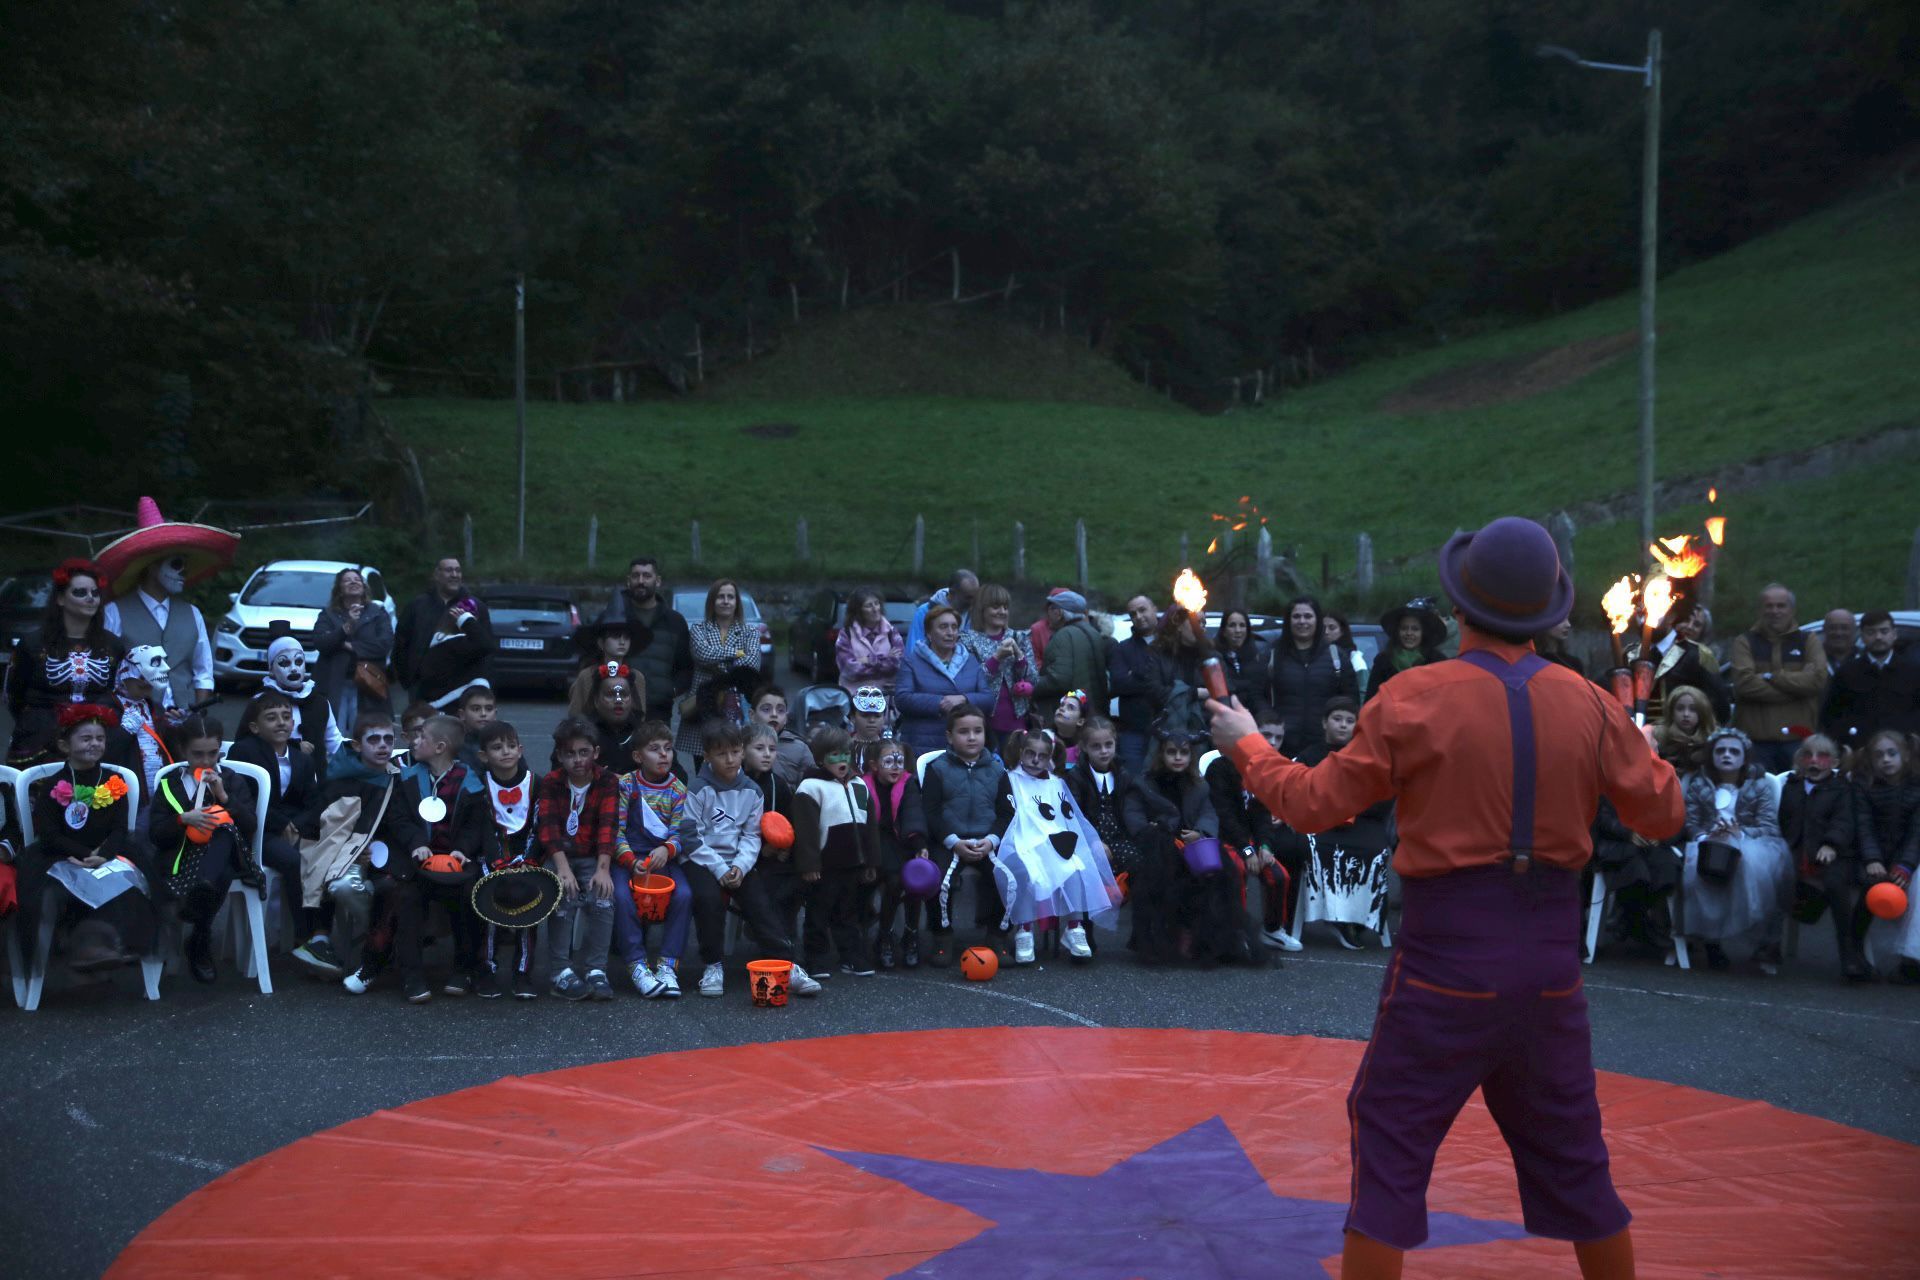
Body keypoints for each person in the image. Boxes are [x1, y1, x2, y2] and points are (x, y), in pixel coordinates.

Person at [1207, 514, 1679, 1280]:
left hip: (1447, 962)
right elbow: (1662, 814)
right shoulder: (1592, 705)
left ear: (1459, 607)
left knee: (1390, 1137)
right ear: (1545, 612)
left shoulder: (1411, 696)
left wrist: (1247, 744)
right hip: (1551, 965)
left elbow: (1312, 806)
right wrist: (1644, 751)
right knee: (1576, 1156)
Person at [13, 703, 156, 973]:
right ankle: (84, 947)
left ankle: (114, 945)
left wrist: (104, 854)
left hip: (106, 852)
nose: (95, 744)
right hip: (62, 854)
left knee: (132, 885)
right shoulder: (55, 786)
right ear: (65, 745)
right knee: (55, 892)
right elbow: (50, 834)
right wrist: (81, 854)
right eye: (86, 738)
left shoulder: (114, 782)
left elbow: (119, 828)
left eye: (100, 738)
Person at [1123, 725, 1258, 965]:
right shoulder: (1144, 783)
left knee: (1218, 877)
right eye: (1172, 752)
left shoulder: (1198, 785)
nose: (1177, 758)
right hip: (1158, 850)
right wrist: (1154, 831)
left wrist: (1201, 833)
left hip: (1193, 850)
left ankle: (1207, 940)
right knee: (1161, 878)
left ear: (1190, 756)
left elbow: (1210, 814)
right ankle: (1167, 941)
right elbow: (1133, 816)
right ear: (1161, 754)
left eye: (1183, 753)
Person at [149, 714, 262, 984]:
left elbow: (250, 826)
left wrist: (224, 797)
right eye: (197, 755)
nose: (206, 761)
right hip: (181, 856)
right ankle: (201, 938)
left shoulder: (231, 780)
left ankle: (201, 905)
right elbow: (155, 835)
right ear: (183, 751)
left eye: (213, 754)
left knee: (223, 830)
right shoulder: (170, 785)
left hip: (226, 855)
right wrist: (182, 819)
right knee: (218, 876)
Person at [98, 497, 238, 712]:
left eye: (185, 564)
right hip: (135, 721)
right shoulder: (115, 612)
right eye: (176, 564)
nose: (184, 572)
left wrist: (196, 715)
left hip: (186, 724)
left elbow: (203, 673)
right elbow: (107, 671)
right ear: (152, 567)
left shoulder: (192, 613)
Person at [318, 712, 424, 993]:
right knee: (342, 886)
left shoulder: (397, 777)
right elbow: (329, 824)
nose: (383, 746)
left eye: (388, 740)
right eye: (374, 740)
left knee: (396, 886)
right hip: (347, 854)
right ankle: (386, 936)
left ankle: (383, 941)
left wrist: (408, 844)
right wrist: (352, 849)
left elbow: (400, 822)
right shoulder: (340, 778)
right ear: (356, 745)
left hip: (386, 855)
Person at [1678, 727, 1793, 974]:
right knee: (1701, 865)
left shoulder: (1759, 785)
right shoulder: (1699, 784)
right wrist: (1707, 834)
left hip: (1749, 841)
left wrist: (1739, 834)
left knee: (1750, 865)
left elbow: (1768, 826)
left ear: (1744, 757)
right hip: (1708, 841)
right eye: (1720, 751)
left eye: (1733, 751)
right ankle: (1711, 941)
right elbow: (1690, 821)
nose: (1727, 755)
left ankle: (1762, 941)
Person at [229, 690, 326, 973]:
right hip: (257, 833)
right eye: (271, 718)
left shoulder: (301, 758)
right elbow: (244, 799)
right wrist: (281, 824)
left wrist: (298, 825)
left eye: (286, 717)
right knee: (297, 861)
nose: (282, 723)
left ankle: (323, 935)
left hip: (294, 829)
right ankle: (306, 934)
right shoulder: (245, 751)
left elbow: (313, 801)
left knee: (324, 857)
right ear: (255, 726)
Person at [393, 714, 490, 999]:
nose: (415, 741)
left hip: (455, 863)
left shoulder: (470, 782)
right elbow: (399, 819)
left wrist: (463, 848)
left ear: (440, 747)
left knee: (467, 898)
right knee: (408, 899)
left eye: (422, 736)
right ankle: (411, 973)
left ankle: (464, 967)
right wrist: (416, 843)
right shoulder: (409, 778)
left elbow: (476, 825)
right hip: (418, 862)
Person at [1291, 698, 1394, 949]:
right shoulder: (1309, 755)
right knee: (1319, 849)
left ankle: (1357, 922)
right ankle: (1334, 917)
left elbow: (1383, 796)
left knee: (1375, 852)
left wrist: (1352, 810)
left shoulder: (1368, 758)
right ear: (1325, 723)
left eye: (1350, 721)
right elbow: (1300, 792)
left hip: (1362, 822)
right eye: (1337, 719)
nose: (1343, 726)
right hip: (1321, 823)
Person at [6, 558, 125, 766]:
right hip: (41, 741)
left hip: (98, 742)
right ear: (61, 599)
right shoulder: (32, 643)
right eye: (80, 592)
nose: (90, 598)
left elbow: (116, 693)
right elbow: (14, 695)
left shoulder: (113, 645)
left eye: (95, 593)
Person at [918, 705, 1010, 966]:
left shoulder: (997, 770)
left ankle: (997, 936)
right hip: (950, 841)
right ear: (949, 736)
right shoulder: (937, 769)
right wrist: (953, 841)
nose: (972, 737)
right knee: (938, 879)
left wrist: (992, 840)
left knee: (1007, 877)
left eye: (978, 731)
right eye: (964, 732)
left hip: (986, 841)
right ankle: (942, 936)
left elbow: (1006, 812)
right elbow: (931, 811)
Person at [612, 720, 697, 998]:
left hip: (663, 859)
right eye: (655, 749)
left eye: (668, 749)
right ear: (638, 756)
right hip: (630, 858)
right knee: (623, 896)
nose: (664, 755)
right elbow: (616, 831)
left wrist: (667, 850)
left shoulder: (678, 789)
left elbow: (678, 833)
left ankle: (667, 966)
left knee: (683, 894)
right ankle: (637, 965)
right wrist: (629, 861)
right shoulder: (626, 785)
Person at [538, 715, 620, 1002]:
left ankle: (596, 968)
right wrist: (562, 869)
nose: (577, 760)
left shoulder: (607, 782)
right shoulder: (551, 782)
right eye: (570, 753)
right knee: (563, 894)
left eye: (584, 752)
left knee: (603, 896)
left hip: (592, 857)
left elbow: (608, 828)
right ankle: (560, 970)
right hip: (560, 856)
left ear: (595, 753)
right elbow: (547, 829)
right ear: (559, 755)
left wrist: (603, 870)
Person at [1778, 734, 1869, 981]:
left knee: (1836, 884)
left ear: (1835, 761)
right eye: (1808, 755)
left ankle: (1848, 953)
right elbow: (1784, 821)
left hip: (1834, 854)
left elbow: (1844, 821)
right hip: (1797, 851)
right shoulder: (1792, 786)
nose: (1814, 761)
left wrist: (1832, 844)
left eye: (1823, 756)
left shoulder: (1841, 788)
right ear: (1800, 760)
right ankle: (1768, 944)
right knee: (1774, 877)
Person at [793, 726, 882, 977]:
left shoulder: (859, 786)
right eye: (834, 755)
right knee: (818, 912)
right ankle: (816, 958)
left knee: (848, 913)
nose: (842, 760)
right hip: (824, 864)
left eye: (845, 754)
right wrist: (810, 865)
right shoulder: (810, 787)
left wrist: (871, 862)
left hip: (853, 862)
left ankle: (851, 956)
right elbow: (806, 831)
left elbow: (870, 827)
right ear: (820, 758)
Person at [1208, 711, 1299, 951]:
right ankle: (1237, 931)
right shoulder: (1221, 767)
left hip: (1251, 839)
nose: (1272, 743)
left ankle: (1272, 929)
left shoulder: (1263, 770)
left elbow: (1262, 815)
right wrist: (1248, 850)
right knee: (1237, 870)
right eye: (1265, 735)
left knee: (1279, 875)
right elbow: (1224, 816)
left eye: (1278, 738)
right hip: (1224, 837)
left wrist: (1265, 846)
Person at [744, 723, 820, 982]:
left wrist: (786, 847)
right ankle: (780, 955)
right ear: (742, 751)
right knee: (768, 890)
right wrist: (762, 851)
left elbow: (789, 824)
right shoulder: (738, 785)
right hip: (750, 859)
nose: (767, 754)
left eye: (772, 749)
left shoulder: (779, 785)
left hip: (777, 857)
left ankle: (788, 946)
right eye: (759, 748)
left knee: (796, 884)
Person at [472, 719, 539, 998]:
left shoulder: (536, 783)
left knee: (531, 902)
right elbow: (482, 828)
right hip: (490, 858)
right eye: (497, 747)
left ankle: (523, 972)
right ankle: (486, 969)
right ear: (484, 756)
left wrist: (528, 860)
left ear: (521, 749)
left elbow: (539, 825)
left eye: (511, 745)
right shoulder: (478, 785)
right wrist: (497, 862)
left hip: (527, 857)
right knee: (488, 902)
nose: (506, 752)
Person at [1729, 584, 1827, 773]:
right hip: (1755, 744)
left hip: (1799, 741)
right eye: (1769, 606)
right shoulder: (1744, 642)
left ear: (1792, 610)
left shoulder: (1808, 640)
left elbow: (1817, 681)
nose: (1775, 611)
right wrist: (1797, 689)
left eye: (1781, 606)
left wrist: (1771, 677)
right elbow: (1744, 684)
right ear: (1760, 609)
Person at [1853, 729, 1920, 984]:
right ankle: (1857, 953)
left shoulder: (1916, 787)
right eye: (1879, 755)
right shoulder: (1864, 786)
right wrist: (1872, 859)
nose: (1886, 760)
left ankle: (1911, 960)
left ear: (1904, 755)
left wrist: (1906, 866)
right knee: (1868, 889)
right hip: (1871, 858)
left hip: (1907, 859)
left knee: (1918, 888)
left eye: (1892, 753)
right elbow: (1863, 826)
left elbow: (1917, 832)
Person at [1255, 596, 1359, 756]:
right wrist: (1270, 721)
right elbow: (1256, 695)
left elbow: (1350, 699)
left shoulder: (1336, 656)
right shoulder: (1271, 655)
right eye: (1296, 616)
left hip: (1325, 746)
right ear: (1288, 621)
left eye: (1308, 616)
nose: (1302, 621)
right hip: (1281, 744)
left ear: (1318, 620)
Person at [675, 579, 763, 765]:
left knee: (734, 759)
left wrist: (722, 664)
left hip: (737, 707)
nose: (725, 601)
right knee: (703, 762)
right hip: (703, 705)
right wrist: (736, 653)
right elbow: (702, 654)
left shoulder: (751, 632)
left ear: (736, 602)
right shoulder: (699, 630)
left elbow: (751, 664)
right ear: (712, 602)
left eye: (730, 597)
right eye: (720, 597)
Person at [596, 557, 692, 721]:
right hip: (618, 710)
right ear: (628, 581)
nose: (640, 581)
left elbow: (686, 666)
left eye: (647, 576)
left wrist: (671, 690)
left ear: (658, 581)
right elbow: (593, 657)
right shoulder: (612, 620)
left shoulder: (675, 622)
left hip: (659, 711)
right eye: (636, 576)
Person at [894, 604, 994, 760]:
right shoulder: (912, 661)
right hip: (923, 744)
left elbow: (988, 699)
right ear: (929, 633)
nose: (950, 632)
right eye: (943, 627)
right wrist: (940, 702)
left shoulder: (970, 661)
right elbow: (902, 698)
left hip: (963, 747)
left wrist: (964, 700)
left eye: (954, 627)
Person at [865, 737, 930, 970]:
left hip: (904, 842)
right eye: (889, 761)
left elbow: (914, 815)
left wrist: (920, 845)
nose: (896, 766)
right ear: (874, 765)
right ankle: (885, 935)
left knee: (916, 881)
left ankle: (911, 934)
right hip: (875, 844)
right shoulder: (864, 785)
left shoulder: (908, 784)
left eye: (899, 761)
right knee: (894, 882)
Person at [392, 557, 491, 706]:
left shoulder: (476, 607)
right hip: (422, 690)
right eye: (449, 570)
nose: (454, 575)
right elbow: (401, 644)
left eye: (458, 570)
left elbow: (487, 647)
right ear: (436, 575)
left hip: (461, 690)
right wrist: (408, 679)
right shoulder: (417, 606)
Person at [310, 567, 393, 738]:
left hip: (368, 684)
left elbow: (384, 644)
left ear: (363, 586)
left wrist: (350, 646)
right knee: (334, 734)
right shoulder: (328, 614)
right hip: (335, 682)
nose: (354, 582)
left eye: (357, 579)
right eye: (347, 580)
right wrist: (346, 628)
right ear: (339, 589)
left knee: (365, 734)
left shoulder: (377, 612)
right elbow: (320, 642)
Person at [1822, 610, 1920, 745]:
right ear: (1861, 636)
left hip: (1905, 752)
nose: (1878, 637)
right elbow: (1831, 715)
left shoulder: (1913, 671)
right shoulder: (1847, 673)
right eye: (1871, 632)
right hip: (1860, 752)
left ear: (1894, 634)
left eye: (1884, 631)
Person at [1065, 714, 1138, 886]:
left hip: (1119, 838)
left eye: (1108, 745)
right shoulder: (1076, 777)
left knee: (1138, 859)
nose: (1104, 751)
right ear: (1084, 747)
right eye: (1096, 746)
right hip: (1091, 841)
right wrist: (1093, 841)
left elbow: (1134, 807)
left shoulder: (1122, 773)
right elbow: (1074, 815)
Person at [962, 583, 1035, 745]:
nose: (1002, 611)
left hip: (1016, 722)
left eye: (1005, 607)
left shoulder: (1020, 637)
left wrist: (1019, 656)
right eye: (996, 607)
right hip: (981, 723)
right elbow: (969, 681)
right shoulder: (967, 639)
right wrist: (996, 658)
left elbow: (1033, 680)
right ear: (982, 609)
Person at [1105, 594, 1170, 774]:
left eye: (1142, 610)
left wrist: (1136, 674)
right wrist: (1154, 680)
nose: (1139, 617)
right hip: (1133, 730)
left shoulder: (1170, 645)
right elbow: (1119, 684)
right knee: (1133, 783)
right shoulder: (1122, 648)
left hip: (1168, 728)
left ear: (1155, 609)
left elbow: (1174, 682)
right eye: (1133, 614)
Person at [107, 646, 176, 809]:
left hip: (159, 788)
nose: (146, 685)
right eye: (141, 680)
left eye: (149, 683)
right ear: (126, 676)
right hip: (125, 790)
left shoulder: (155, 707)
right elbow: (104, 751)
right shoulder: (108, 708)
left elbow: (169, 745)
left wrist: (175, 726)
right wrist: (125, 731)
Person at [262, 636, 345, 772]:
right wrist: (292, 747)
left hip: (314, 782)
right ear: (271, 670)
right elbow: (251, 743)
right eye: (284, 663)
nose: (294, 669)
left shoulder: (319, 702)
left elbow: (334, 742)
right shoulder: (261, 702)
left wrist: (361, 753)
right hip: (275, 779)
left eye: (299, 661)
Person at [1031, 589, 1107, 727]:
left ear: (1059, 613)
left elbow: (1059, 680)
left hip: (1071, 717)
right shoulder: (1094, 633)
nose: (1048, 614)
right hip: (1095, 712)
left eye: (1052, 608)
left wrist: (1032, 685)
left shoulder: (1063, 636)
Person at [566, 661, 645, 772]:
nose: (618, 700)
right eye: (610, 694)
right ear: (596, 701)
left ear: (632, 699)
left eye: (624, 694)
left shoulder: (646, 733)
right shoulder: (579, 734)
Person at [1367, 600, 1448, 703]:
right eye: (1404, 628)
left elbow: (1443, 699)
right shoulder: (1383, 661)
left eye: (1415, 629)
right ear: (1398, 631)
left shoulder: (1438, 662)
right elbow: (1371, 700)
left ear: (1424, 633)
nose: (1409, 633)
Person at [836, 586, 905, 697]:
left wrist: (864, 660)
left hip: (885, 698)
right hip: (855, 698)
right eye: (868, 605)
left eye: (877, 603)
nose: (875, 609)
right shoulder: (846, 634)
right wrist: (885, 660)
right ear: (858, 611)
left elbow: (898, 664)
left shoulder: (892, 632)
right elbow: (850, 670)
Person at [751, 684, 813, 787]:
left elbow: (812, 788)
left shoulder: (800, 748)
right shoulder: (740, 744)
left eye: (780, 710)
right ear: (752, 715)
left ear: (786, 718)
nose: (774, 714)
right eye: (766, 709)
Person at [905, 568, 978, 654]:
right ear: (952, 592)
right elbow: (912, 652)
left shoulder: (975, 614)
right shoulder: (924, 612)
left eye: (976, 597)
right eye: (968, 598)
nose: (973, 602)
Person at [1654, 684, 1717, 774]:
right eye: (1680, 709)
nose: (1686, 714)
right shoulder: (1658, 736)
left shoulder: (1712, 738)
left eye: (1693, 709)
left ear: (1702, 711)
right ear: (1671, 711)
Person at [1212, 610, 1263, 708]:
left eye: (1242, 625)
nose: (1238, 630)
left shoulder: (1257, 656)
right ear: (1224, 631)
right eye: (1232, 625)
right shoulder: (1215, 659)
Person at [1324, 611, 1371, 697]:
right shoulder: (1318, 655)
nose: (1326, 632)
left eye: (1332, 628)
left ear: (1342, 631)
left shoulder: (1354, 658)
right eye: (1323, 628)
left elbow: (1363, 692)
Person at [452, 684, 497, 770]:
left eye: (488, 709)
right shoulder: (453, 745)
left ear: (495, 714)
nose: (483, 714)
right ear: (462, 714)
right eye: (476, 709)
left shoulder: (506, 742)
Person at [1819, 607, 1859, 675]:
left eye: (1844, 628)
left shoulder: (1868, 659)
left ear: (1854, 630)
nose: (1838, 633)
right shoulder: (1810, 660)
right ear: (1824, 630)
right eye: (1833, 628)